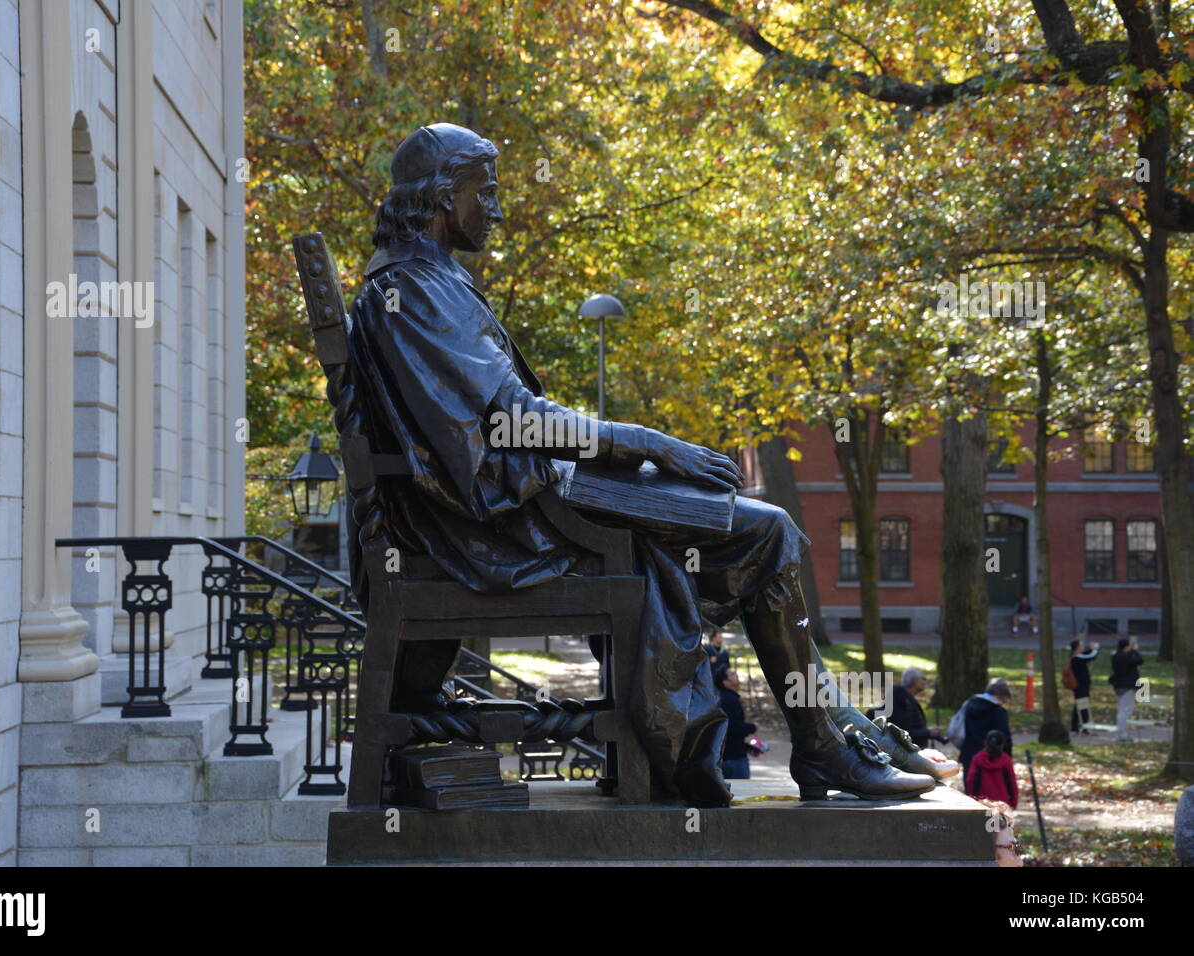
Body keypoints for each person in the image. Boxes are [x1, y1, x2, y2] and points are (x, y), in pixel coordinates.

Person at [344, 122, 935, 806]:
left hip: (506, 508)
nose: (499, 209)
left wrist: (647, 454)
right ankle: (828, 745)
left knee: (749, 526)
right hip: (494, 529)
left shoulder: (418, 283)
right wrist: (652, 444)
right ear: (445, 197)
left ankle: (840, 730)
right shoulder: (415, 290)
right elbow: (511, 418)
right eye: (489, 191)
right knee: (767, 532)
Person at [958, 678, 1014, 786]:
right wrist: (1007, 758)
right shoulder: (998, 712)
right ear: (1000, 696)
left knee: (971, 791)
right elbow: (1004, 737)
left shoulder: (969, 705)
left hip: (969, 756)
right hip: (992, 760)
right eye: (1004, 700)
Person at [874, 667, 941, 747]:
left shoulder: (907, 699)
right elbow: (903, 731)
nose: (925, 681)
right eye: (923, 678)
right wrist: (928, 732)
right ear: (914, 680)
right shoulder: (900, 696)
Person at [717, 668, 758, 779]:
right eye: (732, 674)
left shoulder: (722, 698)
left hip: (725, 755)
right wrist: (752, 727)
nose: (736, 675)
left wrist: (749, 747)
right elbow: (730, 727)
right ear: (725, 682)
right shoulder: (730, 700)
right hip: (734, 759)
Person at [965, 729, 1018, 808]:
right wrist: (1014, 802)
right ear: (1002, 744)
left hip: (982, 802)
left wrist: (972, 798)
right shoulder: (1006, 760)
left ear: (986, 742)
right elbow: (1012, 783)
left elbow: (971, 780)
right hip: (1002, 803)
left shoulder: (977, 759)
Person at [1109, 638, 1144, 743]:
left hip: (1119, 686)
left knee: (1123, 709)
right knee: (1124, 710)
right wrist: (1135, 650)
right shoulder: (1126, 657)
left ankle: (1122, 733)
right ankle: (1122, 734)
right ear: (1126, 647)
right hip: (1127, 687)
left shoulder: (1116, 656)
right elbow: (1140, 660)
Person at [1067, 639, 1100, 733]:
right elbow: (1090, 656)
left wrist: (1091, 649)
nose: (1082, 647)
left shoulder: (1077, 656)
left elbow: (1087, 654)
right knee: (1082, 705)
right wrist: (1095, 649)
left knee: (1079, 705)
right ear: (1077, 647)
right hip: (1080, 686)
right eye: (1081, 646)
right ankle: (1083, 727)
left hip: (1081, 685)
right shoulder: (1077, 657)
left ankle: (1078, 726)